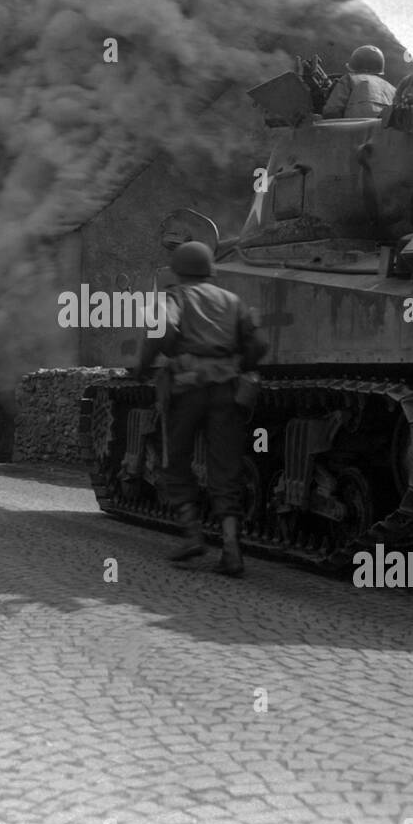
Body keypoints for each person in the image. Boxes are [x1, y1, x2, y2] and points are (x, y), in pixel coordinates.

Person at [136, 241, 268, 577]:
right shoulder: (233, 301)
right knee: (226, 466)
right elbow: (258, 344)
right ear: (210, 269)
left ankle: (193, 534)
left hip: (187, 389)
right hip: (227, 390)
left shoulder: (175, 297)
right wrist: (240, 364)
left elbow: (162, 331)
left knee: (174, 458)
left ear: (178, 270)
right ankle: (231, 549)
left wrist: (144, 366)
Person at [319, 45, 395, 120]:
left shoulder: (349, 79)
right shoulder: (393, 90)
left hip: (352, 130)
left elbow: (331, 111)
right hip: (384, 131)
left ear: (354, 64)